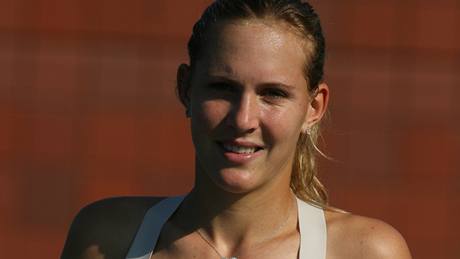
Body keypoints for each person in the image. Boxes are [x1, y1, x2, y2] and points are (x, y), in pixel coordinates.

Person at [61, 0, 412, 258]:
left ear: (314, 107)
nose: (243, 119)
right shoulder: (105, 239)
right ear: (186, 88)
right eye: (222, 88)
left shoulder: (366, 251)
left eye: (272, 94)